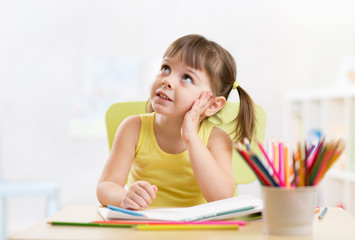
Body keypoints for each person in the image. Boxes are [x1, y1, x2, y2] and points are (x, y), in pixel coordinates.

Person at [97, 34, 256, 210]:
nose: (167, 80)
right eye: (166, 68)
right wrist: (123, 197)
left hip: (197, 231)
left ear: (212, 104)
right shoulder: (132, 128)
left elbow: (221, 197)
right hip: (145, 228)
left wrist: (191, 138)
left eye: (187, 77)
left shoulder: (216, 139)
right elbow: (106, 187)